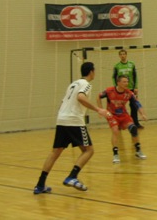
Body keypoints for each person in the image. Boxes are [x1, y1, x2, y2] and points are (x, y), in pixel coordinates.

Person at [33, 61, 109, 194]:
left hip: (62, 119)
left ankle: (40, 185)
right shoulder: (86, 84)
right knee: (89, 150)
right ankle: (72, 177)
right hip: (74, 121)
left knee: (55, 152)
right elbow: (80, 97)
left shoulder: (73, 84)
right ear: (91, 72)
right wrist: (98, 109)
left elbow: (64, 101)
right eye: (94, 71)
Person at [98, 75, 148, 163]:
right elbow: (98, 96)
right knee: (115, 130)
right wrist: (100, 110)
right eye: (124, 82)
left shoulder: (129, 93)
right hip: (112, 115)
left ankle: (138, 150)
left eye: (127, 82)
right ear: (118, 82)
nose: (126, 83)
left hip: (123, 115)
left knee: (134, 129)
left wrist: (142, 114)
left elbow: (137, 104)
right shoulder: (109, 91)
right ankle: (115, 154)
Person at [112, 49, 142, 129]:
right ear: (119, 56)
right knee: (119, 106)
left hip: (131, 88)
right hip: (121, 90)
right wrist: (116, 87)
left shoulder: (132, 64)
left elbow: (135, 76)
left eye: (124, 54)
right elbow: (114, 77)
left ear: (126, 55)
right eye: (121, 54)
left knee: (134, 106)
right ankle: (119, 123)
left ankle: (135, 123)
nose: (122, 56)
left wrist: (136, 87)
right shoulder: (117, 66)